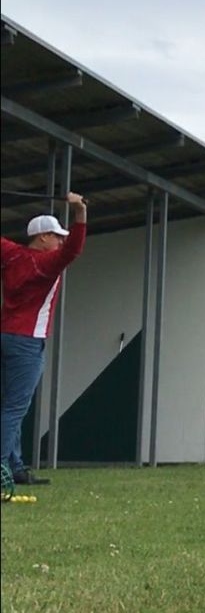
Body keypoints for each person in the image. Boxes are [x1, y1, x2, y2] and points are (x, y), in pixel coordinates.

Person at [1, 194, 88, 487]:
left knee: (9, 405)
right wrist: (80, 211)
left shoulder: (11, 254)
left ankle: (14, 468)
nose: (61, 242)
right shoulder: (46, 263)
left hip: (6, 334)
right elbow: (74, 249)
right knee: (14, 408)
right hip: (28, 341)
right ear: (43, 237)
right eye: (57, 236)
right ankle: (1, 468)